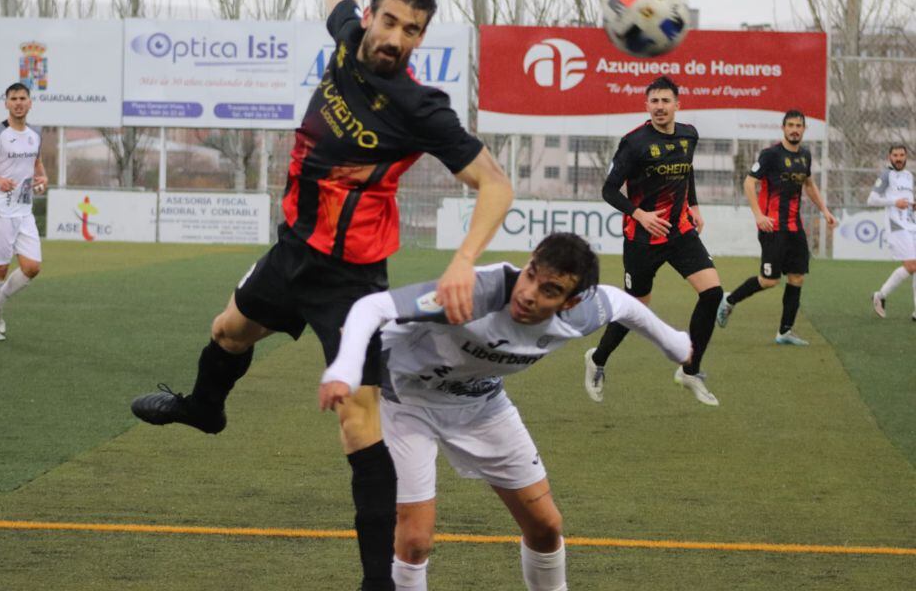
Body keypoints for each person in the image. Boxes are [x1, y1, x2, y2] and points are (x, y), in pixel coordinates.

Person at [129, 0, 513, 589]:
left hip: (352, 283)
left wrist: (464, 260)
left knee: (359, 420)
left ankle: (376, 583)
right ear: (372, 18)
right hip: (292, 253)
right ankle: (206, 410)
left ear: (422, 38)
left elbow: (496, 183)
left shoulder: (420, 107)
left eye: (413, 30)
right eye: (391, 21)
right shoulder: (345, 41)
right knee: (226, 333)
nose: (397, 37)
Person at [318, 233, 692, 591]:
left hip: (482, 404)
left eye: (550, 291)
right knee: (414, 540)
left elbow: (625, 306)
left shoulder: (582, 314)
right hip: (407, 402)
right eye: (531, 276)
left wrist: (675, 344)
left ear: (570, 303)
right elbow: (372, 306)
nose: (529, 294)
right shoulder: (476, 291)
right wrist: (345, 370)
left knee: (546, 526)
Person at [583, 75, 721, 406]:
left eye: (666, 101)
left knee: (713, 293)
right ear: (647, 105)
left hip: (681, 232)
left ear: (677, 104)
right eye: (654, 101)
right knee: (636, 308)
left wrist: (694, 206)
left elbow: (686, 172)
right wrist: (640, 214)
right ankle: (597, 360)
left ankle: (690, 370)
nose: (660, 107)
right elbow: (608, 190)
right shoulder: (634, 143)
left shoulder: (689, 135)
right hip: (642, 239)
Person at [716, 110, 837, 344]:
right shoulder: (770, 155)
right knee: (769, 280)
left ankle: (784, 332)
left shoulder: (805, 156)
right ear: (783, 128)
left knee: (797, 277)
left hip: (794, 228)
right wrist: (758, 215)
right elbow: (749, 183)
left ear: (803, 129)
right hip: (772, 227)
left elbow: (809, 184)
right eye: (790, 125)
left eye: (798, 125)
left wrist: (825, 210)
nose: (794, 129)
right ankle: (729, 300)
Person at [0, 83, 47, 342]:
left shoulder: (35, 134)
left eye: (22, 98)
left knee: (32, 267)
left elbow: (37, 165)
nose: (18, 102)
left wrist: (42, 178)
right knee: (0, 269)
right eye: (13, 98)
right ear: (6, 103)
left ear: (30, 103)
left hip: (24, 210)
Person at [868, 144, 916, 320]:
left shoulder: (909, 176)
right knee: (912, 265)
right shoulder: (886, 175)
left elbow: (908, 200)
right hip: (896, 226)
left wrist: (912, 204)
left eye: (901, 155)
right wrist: (894, 202)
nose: (898, 158)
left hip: (911, 224)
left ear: (906, 157)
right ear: (889, 157)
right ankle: (880, 295)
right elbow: (872, 200)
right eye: (895, 155)